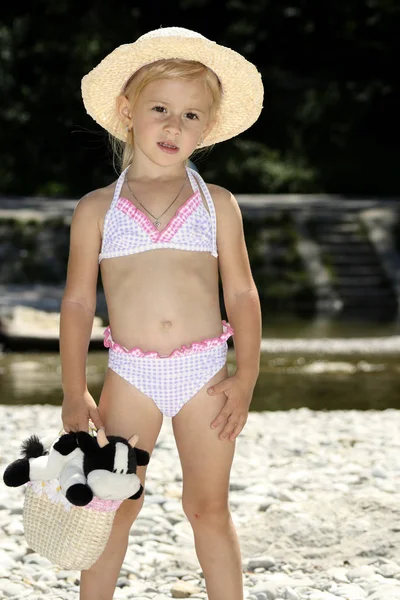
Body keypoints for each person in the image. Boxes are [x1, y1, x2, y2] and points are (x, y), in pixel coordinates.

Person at [60, 26, 263, 600]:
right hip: (130, 377)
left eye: (193, 115)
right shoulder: (97, 209)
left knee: (208, 508)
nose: (175, 126)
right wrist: (75, 391)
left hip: (205, 376)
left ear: (209, 127)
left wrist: (245, 377)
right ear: (128, 111)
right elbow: (77, 303)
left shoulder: (216, 203)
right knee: (113, 503)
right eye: (160, 108)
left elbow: (243, 294)